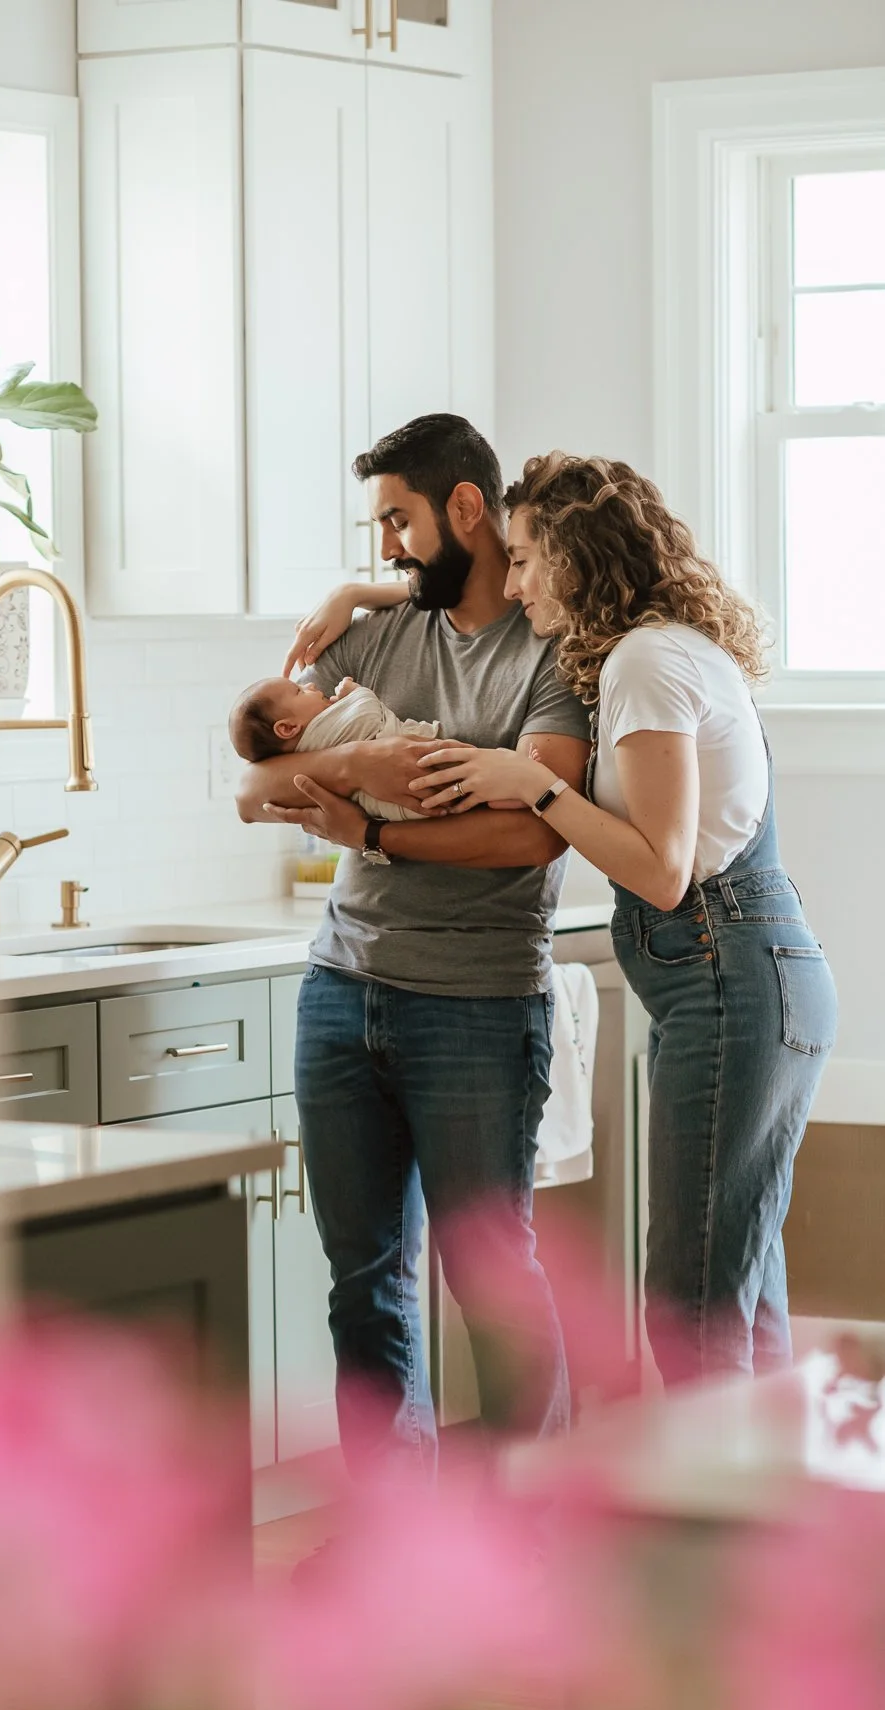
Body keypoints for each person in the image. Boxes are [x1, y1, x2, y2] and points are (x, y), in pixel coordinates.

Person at [314, 453, 836, 1384]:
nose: (511, 585)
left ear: (571, 556)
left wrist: (535, 784)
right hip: (747, 975)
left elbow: (664, 872)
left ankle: (696, 1526)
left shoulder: (642, 662)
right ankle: (758, 1520)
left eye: (523, 560)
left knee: (690, 1306)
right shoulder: (661, 650)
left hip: (732, 979)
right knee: (739, 1294)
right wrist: (367, 588)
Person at [235, 413, 592, 1474]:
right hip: (341, 988)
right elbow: (257, 778)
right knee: (363, 1279)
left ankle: (536, 1523)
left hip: (477, 1004)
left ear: (466, 509)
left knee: (492, 1278)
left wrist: (376, 828)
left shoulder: (553, 654)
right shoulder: (371, 634)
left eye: (398, 518)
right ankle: (394, 1538)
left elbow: (532, 831)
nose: (384, 543)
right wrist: (362, 773)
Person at [228, 675, 527, 821]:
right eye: (298, 690)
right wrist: (355, 696)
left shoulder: (308, 738)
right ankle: (515, 784)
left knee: (464, 782)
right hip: (405, 800)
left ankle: (508, 790)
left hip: (405, 815)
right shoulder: (324, 727)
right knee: (451, 770)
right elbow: (247, 796)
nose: (312, 686)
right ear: (288, 728)